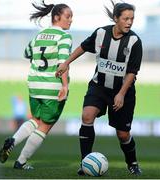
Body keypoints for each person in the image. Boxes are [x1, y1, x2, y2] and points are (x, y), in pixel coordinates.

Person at [56, 1, 142, 176]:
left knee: (123, 134)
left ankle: (132, 163)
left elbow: (132, 72)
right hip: (99, 87)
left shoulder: (134, 41)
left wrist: (121, 94)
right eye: (125, 18)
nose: (129, 22)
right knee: (87, 116)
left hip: (122, 91)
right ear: (115, 18)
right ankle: (85, 162)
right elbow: (83, 47)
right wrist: (66, 63)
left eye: (132, 19)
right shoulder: (101, 33)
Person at [0, 0, 73, 170]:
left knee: (35, 119)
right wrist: (65, 86)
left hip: (34, 84)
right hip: (51, 86)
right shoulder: (64, 36)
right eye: (67, 16)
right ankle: (21, 161)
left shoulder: (39, 35)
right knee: (45, 126)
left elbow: (27, 53)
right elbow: (63, 63)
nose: (70, 20)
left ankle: (13, 140)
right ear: (56, 17)